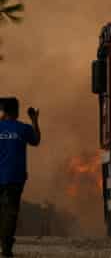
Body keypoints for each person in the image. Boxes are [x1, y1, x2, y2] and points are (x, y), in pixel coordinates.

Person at [0, 99, 40, 257]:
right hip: (15, 177)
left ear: (3, 111)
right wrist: (35, 120)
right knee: (10, 211)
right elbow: (36, 140)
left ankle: (5, 242)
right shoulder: (23, 128)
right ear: (16, 112)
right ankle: (6, 246)